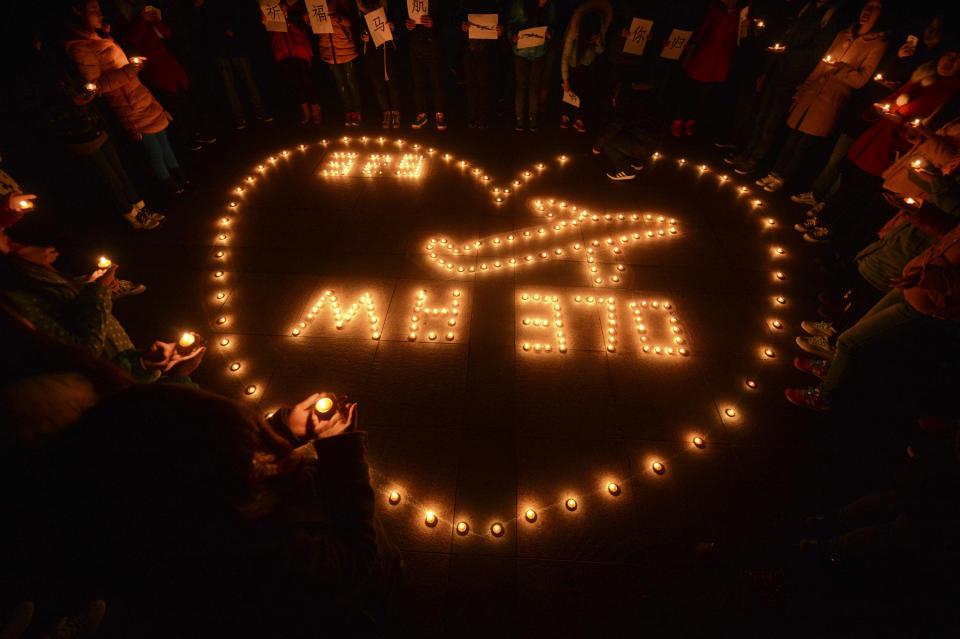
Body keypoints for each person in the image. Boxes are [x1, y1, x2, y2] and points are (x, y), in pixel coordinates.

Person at [46, 385, 400, 636]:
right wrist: (342, 452)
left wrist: (284, 428)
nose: (266, 447)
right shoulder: (262, 548)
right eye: (253, 441)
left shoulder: (176, 508)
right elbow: (355, 559)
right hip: (346, 594)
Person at [786, 221, 960, 412]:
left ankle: (824, 396)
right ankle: (833, 368)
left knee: (849, 341)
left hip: (929, 302)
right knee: (856, 330)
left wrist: (938, 279)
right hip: (913, 286)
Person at [803, 50, 960, 252]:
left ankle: (831, 228)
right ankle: (824, 218)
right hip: (877, 138)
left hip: (894, 148)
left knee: (861, 191)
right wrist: (879, 108)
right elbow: (896, 99)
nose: (950, 61)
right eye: (949, 55)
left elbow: (923, 123)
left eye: (958, 60)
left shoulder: (951, 94)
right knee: (848, 181)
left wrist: (901, 121)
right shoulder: (922, 78)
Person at [13, 37, 164, 230]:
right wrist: (71, 100)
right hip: (76, 133)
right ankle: (131, 215)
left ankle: (142, 208)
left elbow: (83, 85)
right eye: (36, 43)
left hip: (93, 123)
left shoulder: (58, 63)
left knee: (120, 172)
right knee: (111, 179)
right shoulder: (30, 78)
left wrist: (86, 93)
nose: (40, 45)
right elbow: (42, 108)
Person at [756, 0, 889, 193]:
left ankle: (783, 178)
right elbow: (821, 64)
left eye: (875, 8)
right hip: (813, 92)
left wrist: (842, 69)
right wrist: (803, 90)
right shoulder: (844, 34)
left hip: (831, 98)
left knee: (804, 144)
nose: (867, 11)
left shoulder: (877, 44)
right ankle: (774, 172)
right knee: (791, 137)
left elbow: (861, 80)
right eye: (866, 6)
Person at [64, 0, 189, 197]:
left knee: (164, 141)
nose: (100, 14)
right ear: (77, 13)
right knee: (154, 151)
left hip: (143, 98)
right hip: (129, 107)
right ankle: (167, 182)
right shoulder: (81, 48)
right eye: (93, 10)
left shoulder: (103, 37)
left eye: (100, 9)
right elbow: (95, 88)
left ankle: (178, 173)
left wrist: (130, 67)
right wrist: (127, 72)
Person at [723, 0, 848, 174]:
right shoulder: (807, 7)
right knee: (761, 114)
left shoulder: (831, 15)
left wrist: (788, 52)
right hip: (778, 68)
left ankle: (754, 159)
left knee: (772, 120)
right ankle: (745, 152)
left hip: (794, 75)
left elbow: (818, 50)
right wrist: (769, 68)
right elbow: (788, 35)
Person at [123, 3, 217, 149]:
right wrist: (142, 21)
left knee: (188, 100)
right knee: (175, 107)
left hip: (171, 68)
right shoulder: (134, 25)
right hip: (157, 71)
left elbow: (167, 34)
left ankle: (199, 131)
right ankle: (189, 138)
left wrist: (155, 21)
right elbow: (132, 39)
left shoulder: (150, 22)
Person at [672, 0, 744, 138]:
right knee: (690, 91)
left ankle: (691, 121)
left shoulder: (742, 15)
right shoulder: (714, 10)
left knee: (705, 95)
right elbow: (703, 29)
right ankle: (678, 120)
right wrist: (692, 48)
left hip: (722, 60)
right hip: (705, 56)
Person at [205, 0, 273, 131]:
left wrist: (234, 31)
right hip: (221, 52)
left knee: (249, 82)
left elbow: (242, 18)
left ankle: (259, 111)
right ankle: (240, 117)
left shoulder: (233, 5)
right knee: (230, 87)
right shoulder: (210, 7)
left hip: (237, 49)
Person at [263, 0, 323, 125]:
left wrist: (288, 16)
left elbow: (303, 23)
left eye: (283, 6)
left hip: (299, 50)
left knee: (307, 81)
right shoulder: (270, 13)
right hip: (282, 52)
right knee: (295, 83)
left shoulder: (295, 12)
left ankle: (315, 111)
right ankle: (306, 112)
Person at [559, 0, 613, 133]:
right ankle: (565, 116)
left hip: (587, 65)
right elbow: (565, 57)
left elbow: (600, 51)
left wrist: (598, 42)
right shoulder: (574, 33)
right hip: (572, 65)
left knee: (584, 92)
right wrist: (565, 80)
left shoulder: (598, 29)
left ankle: (579, 119)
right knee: (569, 91)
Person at [508, 0, 557, 132]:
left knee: (534, 87)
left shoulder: (549, 6)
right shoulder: (520, 3)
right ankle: (519, 118)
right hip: (521, 51)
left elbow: (552, 24)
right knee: (521, 86)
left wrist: (549, 34)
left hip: (539, 51)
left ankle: (532, 118)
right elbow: (512, 23)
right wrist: (513, 37)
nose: (544, 1)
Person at [357, 0, 404, 129]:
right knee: (379, 87)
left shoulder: (387, 12)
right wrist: (363, 38)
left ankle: (396, 112)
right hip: (373, 56)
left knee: (393, 85)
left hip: (388, 54)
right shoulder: (363, 16)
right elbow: (359, 33)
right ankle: (386, 112)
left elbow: (400, 31)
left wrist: (393, 28)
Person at [458, 0, 504, 130]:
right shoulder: (465, 5)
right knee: (471, 85)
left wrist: (500, 31)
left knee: (484, 85)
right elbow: (455, 19)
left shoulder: (493, 4)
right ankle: (473, 117)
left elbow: (501, 21)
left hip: (486, 49)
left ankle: (483, 118)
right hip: (469, 49)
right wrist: (461, 27)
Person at [318, 0, 363, 126]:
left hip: (345, 47)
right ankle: (348, 112)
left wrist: (337, 18)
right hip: (328, 49)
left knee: (351, 81)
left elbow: (350, 20)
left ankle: (357, 112)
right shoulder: (315, 4)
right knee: (340, 84)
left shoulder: (340, 2)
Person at [405, 3, 447, 130]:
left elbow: (447, 18)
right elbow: (400, 16)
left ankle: (440, 113)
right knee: (418, 83)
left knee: (437, 82)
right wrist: (406, 25)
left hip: (434, 46)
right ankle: (421, 113)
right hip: (416, 47)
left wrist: (434, 23)